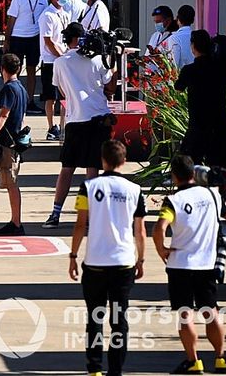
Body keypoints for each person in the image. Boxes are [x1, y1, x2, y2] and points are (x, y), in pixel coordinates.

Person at [68, 140, 147, 376]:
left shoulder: (88, 187)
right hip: (123, 263)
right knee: (119, 319)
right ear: (124, 161)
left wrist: (73, 255)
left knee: (95, 317)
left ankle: (94, 368)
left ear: (103, 160)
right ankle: (116, 370)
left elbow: (80, 224)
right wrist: (141, 260)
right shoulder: (135, 191)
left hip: (95, 263)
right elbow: (140, 230)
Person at [153, 155, 226, 375]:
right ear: (194, 174)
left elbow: (159, 228)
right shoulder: (211, 195)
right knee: (211, 312)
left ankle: (193, 361)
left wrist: (162, 249)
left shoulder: (174, 201)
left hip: (180, 264)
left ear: (174, 176)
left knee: (185, 314)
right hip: (207, 264)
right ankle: (220, 358)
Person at [42, 23, 118, 228]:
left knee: (67, 167)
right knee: (92, 167)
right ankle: (90, 215)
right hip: (98, 118)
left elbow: (63, 93)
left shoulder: (60, 62)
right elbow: (110, 88)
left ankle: (55, 213)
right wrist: (114, 64)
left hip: (75, 120)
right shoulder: (97, 59)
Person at [0, 52, 27, 235]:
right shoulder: (21, 89)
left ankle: (16, 223)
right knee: (10, 182)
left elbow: (4, 114)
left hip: (8, 143)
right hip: (15, 140)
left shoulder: (9, 89)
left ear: (2, 69)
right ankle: (14, 221)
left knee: (11, 183)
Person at [175, 30, 226, 166]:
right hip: (219, 121)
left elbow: (179, 87)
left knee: (189, 163)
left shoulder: (189, 70)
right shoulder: (220, 68)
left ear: (193, 47)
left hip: (198, 124)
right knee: (219, 165)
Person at [4, 0, 48, 112]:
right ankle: (13, 100)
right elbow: (11, 20)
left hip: (34, 38)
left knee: (31, 70)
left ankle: (30, 101)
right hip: (18, 37)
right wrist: (7, 41)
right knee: (14, 70)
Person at [39, 0, 69, 141]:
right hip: (51, 61)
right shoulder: (47, 15)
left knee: (65, 95)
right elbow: (48, 41)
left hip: (63, 58)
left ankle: (63, 125)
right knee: (51, 96)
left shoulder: (64, 13)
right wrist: (60, 56)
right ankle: (51, 127)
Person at [172, 4, 196, 69]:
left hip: (182, 76)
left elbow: (174, 63)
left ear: (178, 19)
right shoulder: (197, 36)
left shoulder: (174, 37)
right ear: (193, 20)